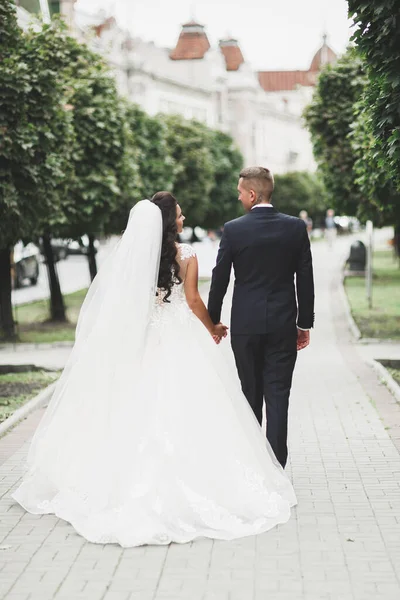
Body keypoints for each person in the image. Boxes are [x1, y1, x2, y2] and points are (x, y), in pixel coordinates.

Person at [12, 192, 296, 548]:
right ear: (167, 220)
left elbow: (130, 303)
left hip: (149, 339)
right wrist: (212, 327)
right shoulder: (188, 255)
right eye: (179, 213)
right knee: (191, 405)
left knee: (140, 402)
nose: (183, 217)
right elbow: (192, 300)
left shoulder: (138, 260)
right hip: (180, 338)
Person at [208, 167, 315, 469]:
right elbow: (305, 279)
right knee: (279, 395)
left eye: (241, 192)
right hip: (283, 325)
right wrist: (303, 324)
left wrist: (213, 321)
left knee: (250, 395)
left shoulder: (233, 229)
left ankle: (255, 469)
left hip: (245, 326)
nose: (239, 196)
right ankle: (277, 468)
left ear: (252, 195)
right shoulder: (296, 228)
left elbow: (219, 280)